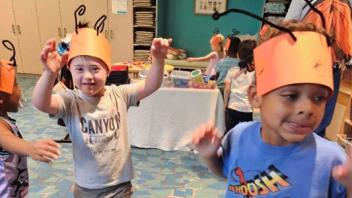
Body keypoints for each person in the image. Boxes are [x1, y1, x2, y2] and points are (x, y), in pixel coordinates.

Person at [191, 21, 352, 197]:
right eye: (291, 95)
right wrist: (210, 155)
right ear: (255, 96)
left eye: (319, 98)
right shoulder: (239, 136)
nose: (307, 109)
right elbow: (224, 171)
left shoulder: (332, 159)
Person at [31, 24, 170, 197]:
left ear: (108, 70)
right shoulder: (70, 100)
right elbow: (40, 103)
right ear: (70, 71)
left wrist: (158, 60)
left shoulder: (120, 94)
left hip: (120, 184)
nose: (88, 76)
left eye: (95, 68)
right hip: (86, 186)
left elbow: (151, 85)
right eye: (79, 69)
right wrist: (49, 74)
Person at [284, 0, 352, 138]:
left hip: (306, 63)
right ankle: (312, 148)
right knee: (321, 117)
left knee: (299, 112)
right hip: (332, 66)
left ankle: (298, 148)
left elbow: (287, 26)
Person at [0, 59, 61, 197]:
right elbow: (5, 138)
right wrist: (30, 148)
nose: (20, 90)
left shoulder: (4, 118)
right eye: (15, 84)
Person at [223, 39, 256, 133]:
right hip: (247, 109)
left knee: (230, 134)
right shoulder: (254, 73)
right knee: (246, 134)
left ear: (238, 54)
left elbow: (227, 89)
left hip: (233, 107)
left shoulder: (232, 71)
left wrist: (225, 103)